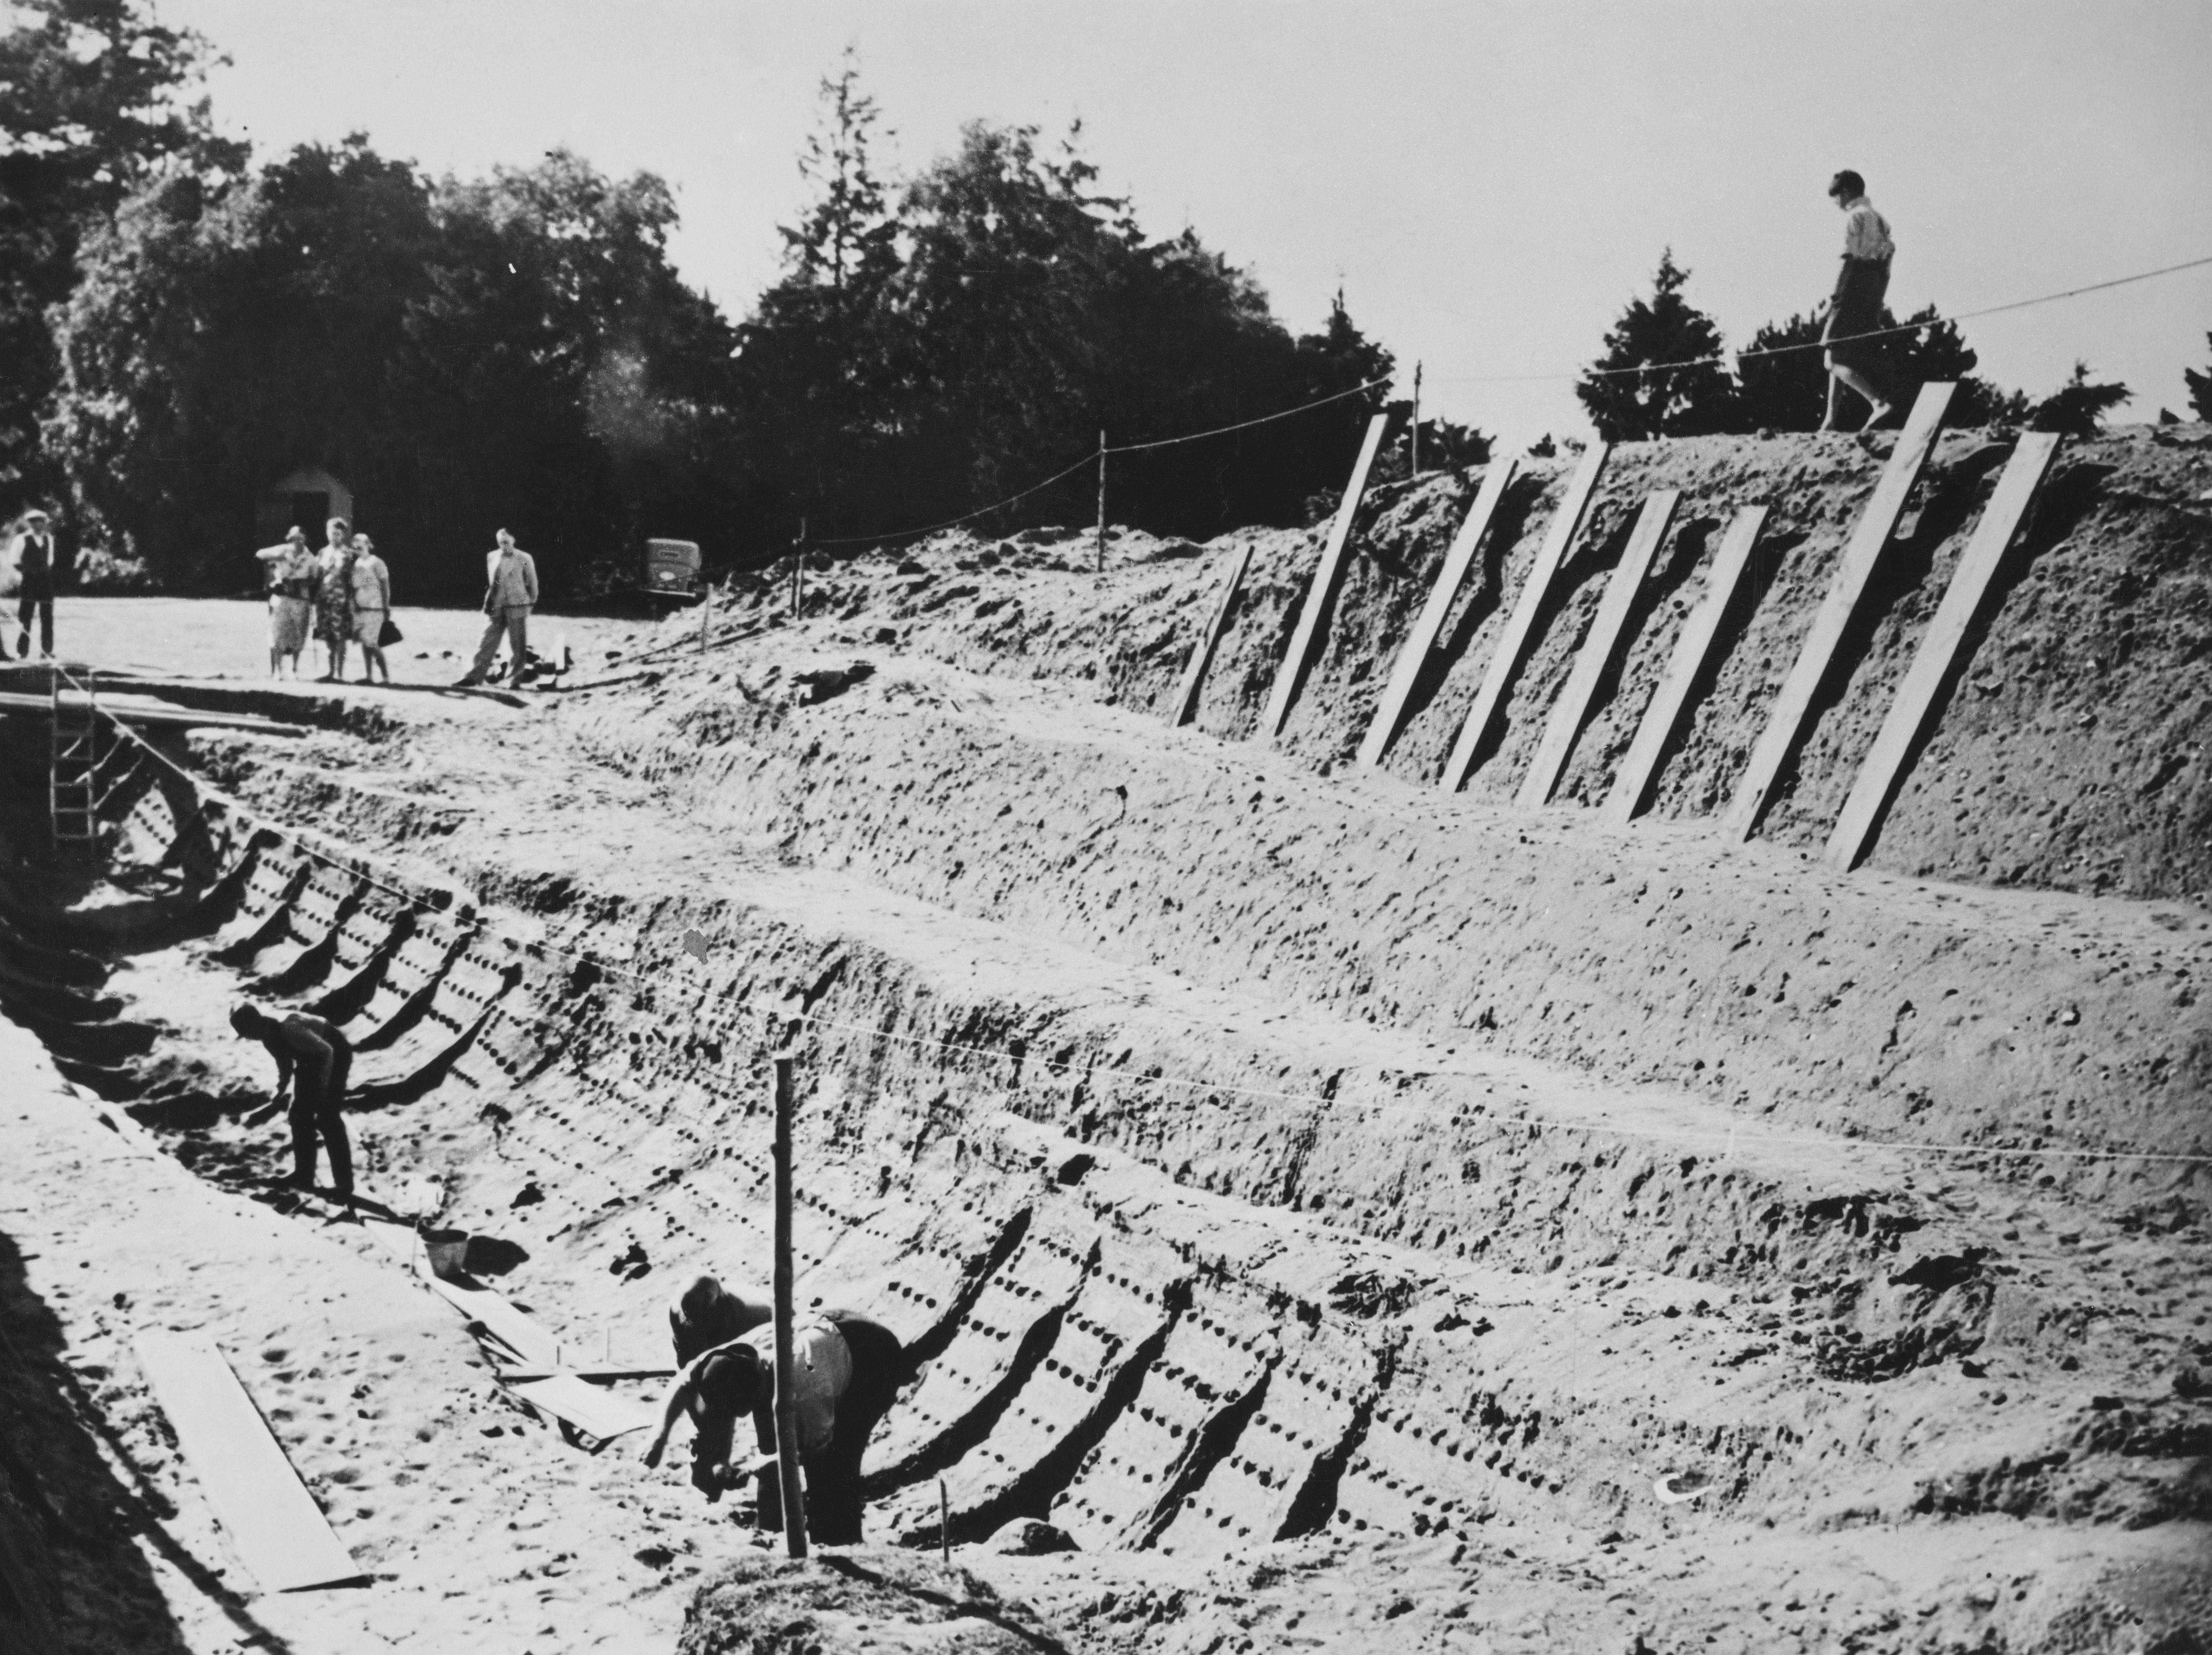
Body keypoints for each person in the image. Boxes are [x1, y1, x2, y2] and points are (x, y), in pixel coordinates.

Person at [638, 1307, 903, 1545]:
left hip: (872, 1356)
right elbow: (684, 1383)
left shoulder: (805, 1388)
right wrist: (659, 1437)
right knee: (775, 1443)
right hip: (825, 1331)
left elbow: (818, 1449)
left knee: (833, 1470)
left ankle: (839, 1545)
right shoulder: (734, 1355)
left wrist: (762, 1464)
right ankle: (771, 1527)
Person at [230, 1002, 354, 1207]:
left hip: (335, 1052)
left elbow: (327, 1052)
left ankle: (344, 1187)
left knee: (327, 1118)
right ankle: (303, 1175)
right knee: (299, 1115)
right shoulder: (267, 1036)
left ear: (255, 1024)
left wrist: (323, 1088)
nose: (249, 1038)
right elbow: (285, 1062)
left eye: (247, 1033)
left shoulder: (290, 1028)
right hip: (311, 1058)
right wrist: (281, 1088)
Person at [1819, 169, 1897, 432]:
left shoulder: (1856, 217)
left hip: (1853, 284)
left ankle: (1878, 403)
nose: (1836, 203)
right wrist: (1877, 302)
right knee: (1843, 356)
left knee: (1831, 358)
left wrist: (1836, 296)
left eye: (1837, 197)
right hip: (1874, 286)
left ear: (1847, 192)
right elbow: (1888, 265)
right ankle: (1831, 420)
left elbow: (1849, 259)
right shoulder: (1881, 220)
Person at [456, 529, 538, 687]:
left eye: (506, 542)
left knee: (517, 645)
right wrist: (490, 602)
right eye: (501, 542)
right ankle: (473, 677)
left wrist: (529, 603)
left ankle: (513, 680)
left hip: (517, 606)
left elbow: (532, 583)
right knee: (486, 641)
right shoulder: (492, 556)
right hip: (496, 605)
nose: (503, 545)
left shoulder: (524, 558)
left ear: (514, 540)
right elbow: (493, 582)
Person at [8, 507, 71, 660]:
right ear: (31, 524)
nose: (39, 525)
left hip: (45, 582)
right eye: (35, 523)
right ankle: (22, 652)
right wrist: (27, 572)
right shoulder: (21, 539)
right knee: (26, 618)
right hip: (29, 581)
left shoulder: (48, 539)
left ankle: (47, 651)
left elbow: (49, 561)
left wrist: (42, 572)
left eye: (42, 522)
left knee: (47, 618)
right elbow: (15, 561)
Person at [254, 527, 317, 678]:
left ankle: (294, 670)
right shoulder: (283, 551)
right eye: (295, 538)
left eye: (301, 538)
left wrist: (303, 583)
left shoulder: (310, 557)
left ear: (305, 539)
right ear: (290, 539)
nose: (298, 542)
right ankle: (277, 670)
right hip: (282, 597)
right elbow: (260, 554)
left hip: (300, 599)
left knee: (298, 635)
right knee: (278, 633)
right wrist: (278, 555)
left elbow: (314, 578)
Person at [670, 1274, 771, 1364]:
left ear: (718, 1308)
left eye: (699, 1319)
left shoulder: (756, 1317)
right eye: (689, 1319)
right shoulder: (677, 1311)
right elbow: (683, 1356)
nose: (692, 1324)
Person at [312, 518, 356, 682]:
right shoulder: (323, 553)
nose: (334, 536)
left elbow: (352, 580)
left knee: (340, 636)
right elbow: (316, 575)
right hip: (323, 601)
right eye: (332, 532)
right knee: (328, 636)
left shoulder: (348, 554)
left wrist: (351, 600)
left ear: (343, 535)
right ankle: (330, 673)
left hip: (340, 601)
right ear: (327, 532)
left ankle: (339, 673)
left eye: (338, 533)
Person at [348, 532, 393, 684]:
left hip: (375, 609)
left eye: (360, 546)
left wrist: (386, 606)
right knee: (365, 644)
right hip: (361, 609)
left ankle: (386, 677)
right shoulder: (356, 564)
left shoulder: (377, 562)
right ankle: (369, 676)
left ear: (368, 545)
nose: (357, 549)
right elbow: (354, 589)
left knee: (372, 643)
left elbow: (385, 586)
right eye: (355, 547)